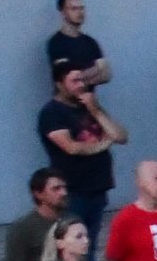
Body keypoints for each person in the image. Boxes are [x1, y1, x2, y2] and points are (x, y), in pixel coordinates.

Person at [38, 63, 125, 249]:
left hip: (98, 187)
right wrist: (104, 144)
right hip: (72, 190)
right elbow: (71, 147)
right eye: (75, 81)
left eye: (83, 80)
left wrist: (96, 111)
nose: (81, 85)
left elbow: (120, 136)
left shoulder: (90, 107)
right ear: (60, 84)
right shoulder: (52, 113)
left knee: (90, 243)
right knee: (72, 242)